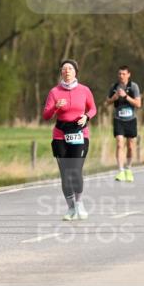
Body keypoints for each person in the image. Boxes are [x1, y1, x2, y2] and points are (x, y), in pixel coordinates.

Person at [43, 59, 97, 221]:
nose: (67, 71)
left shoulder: (84, 90)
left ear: (75, 72)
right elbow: (46, 115)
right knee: (65, 174)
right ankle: (71, 207)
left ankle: (79, 203)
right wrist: (55, 107)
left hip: (80, 134)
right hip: (60, 135)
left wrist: (86, 116)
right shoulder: (54, 92)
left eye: (70, 68)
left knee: (75, 171)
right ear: (61, 72)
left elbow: (93, 108)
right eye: (64, 69)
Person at [105, 66, 141, 182]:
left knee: (130, 145)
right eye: (120, 73)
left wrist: (126, 96)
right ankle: (120, 171)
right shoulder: (114, 87)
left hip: (131, 119)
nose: (121, 76)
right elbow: (107, 102)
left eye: (124, 74)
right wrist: (114, 97)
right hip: (118, 119)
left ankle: (128, 168)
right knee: (120, 143)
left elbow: (138, 104)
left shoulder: (133, 86)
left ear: (129, 74)